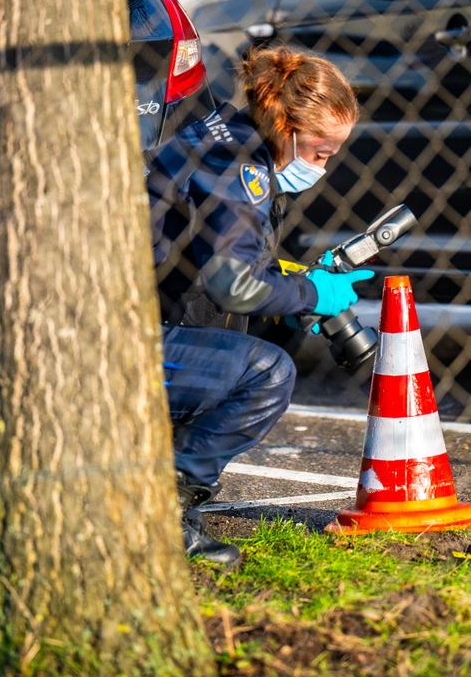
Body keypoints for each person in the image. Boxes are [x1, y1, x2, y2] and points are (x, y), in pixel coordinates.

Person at [146, 46, 371, 565]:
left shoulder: (221, 136)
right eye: (320, 152)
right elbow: (233, 286)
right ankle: (162, 514)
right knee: (267, 373)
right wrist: (315, 294)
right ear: (284, 125)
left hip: (132, 318)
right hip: (106, 344)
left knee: (268, 329)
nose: (322, 166)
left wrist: (292, 286)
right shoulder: (238, 169)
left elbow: (214, 264)